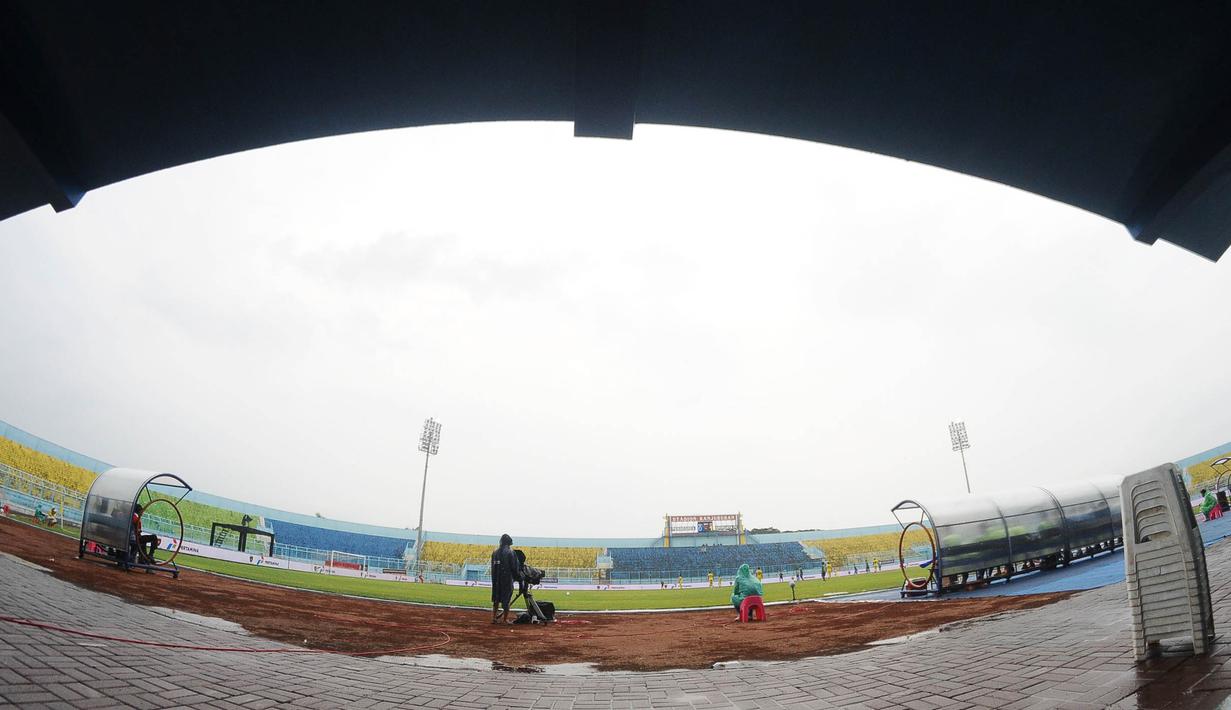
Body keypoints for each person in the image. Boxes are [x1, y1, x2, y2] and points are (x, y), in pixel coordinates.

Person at [490, 533, 520, 624]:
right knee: (506, 600)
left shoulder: (495, 552)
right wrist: (518, 577)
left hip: (496, 580)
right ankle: (505, 619)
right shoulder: (511, 552)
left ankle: (494, 618)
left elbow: (492, 567)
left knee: (496, 600)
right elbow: (514, 567)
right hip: (507, 580)